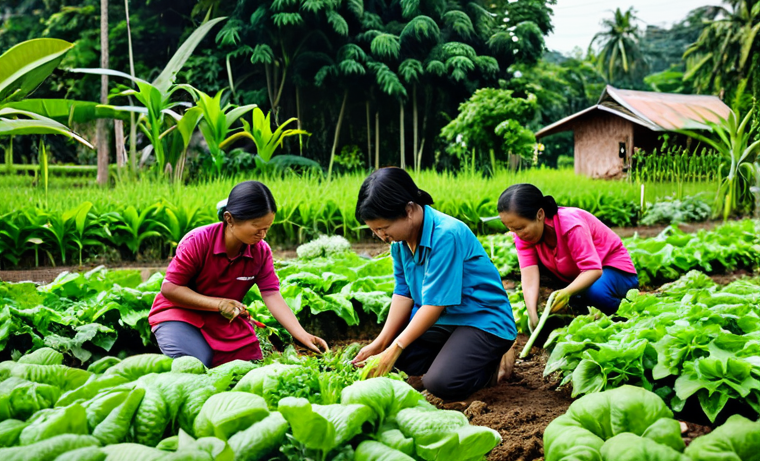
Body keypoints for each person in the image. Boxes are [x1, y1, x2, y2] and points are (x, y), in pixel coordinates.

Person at [351, 168, 517, 400]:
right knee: (398, 364)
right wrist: (381, 344)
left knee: (440, 383)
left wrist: (394, 348)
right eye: (374, 230)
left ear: (408, 210)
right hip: (443, 323)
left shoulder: (446, 234)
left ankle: (492, 362)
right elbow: (403, 293)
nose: (380, 236)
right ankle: (456, 353)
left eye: (383, 228)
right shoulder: (399, 243)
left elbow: (434, 305)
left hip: (481, 320)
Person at [149, 181, 328, 367]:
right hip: (179, 313)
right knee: (196, 364)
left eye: (267, 228)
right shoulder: (198, 241)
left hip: (222, 319)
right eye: (257, 227)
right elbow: (170, 288)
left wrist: (302, 335)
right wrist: (218, 304)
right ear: (229, 219)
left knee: (248, 363)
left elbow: (271, 294)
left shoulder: (260, 251)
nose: (263, 235)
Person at [497, 183, 638, 330]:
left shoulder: (570, 225)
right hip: (580, 277)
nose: (517, 234)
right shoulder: (523, 236)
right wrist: (532, 313)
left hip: (615, 271)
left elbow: (594, 270)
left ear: (540, 214)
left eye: (520, 228)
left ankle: (625, 316)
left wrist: (567, 292)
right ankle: (583, 304)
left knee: (595, 293)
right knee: (553, 299)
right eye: (511, 229)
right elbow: (529, 275)